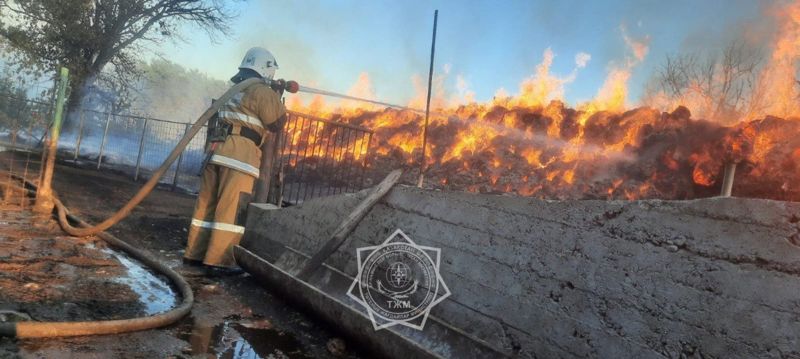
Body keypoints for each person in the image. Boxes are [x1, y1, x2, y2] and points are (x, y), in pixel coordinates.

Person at [183, 47, 286, 273]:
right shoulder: (260, 91)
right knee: (231, 210)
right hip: (239, 157)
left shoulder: (235, 90)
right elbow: (276, 122)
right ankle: (220, 261)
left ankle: (194, 253)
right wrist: (277, 95)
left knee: (207, 206)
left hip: (216, 152)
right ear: (265, 69)